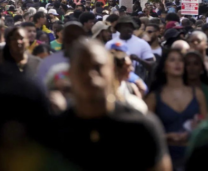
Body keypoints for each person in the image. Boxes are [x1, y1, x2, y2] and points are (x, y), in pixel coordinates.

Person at [53, 40, 171, 171]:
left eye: (97, 67)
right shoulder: (55, 131)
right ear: (70, 73)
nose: (90, 75)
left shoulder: (141, 126)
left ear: (112, 70)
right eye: (81, 67)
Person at [145, 48, 208, 168]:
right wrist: (167, 137)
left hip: (195, 155)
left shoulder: (198, 94)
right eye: (172, 60)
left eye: (180, 60)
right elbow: (147, 133)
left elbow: (205, 126)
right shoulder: (154, 97)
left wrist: (196, 129)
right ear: (164, 67)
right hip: (166, 157)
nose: (177, 63)